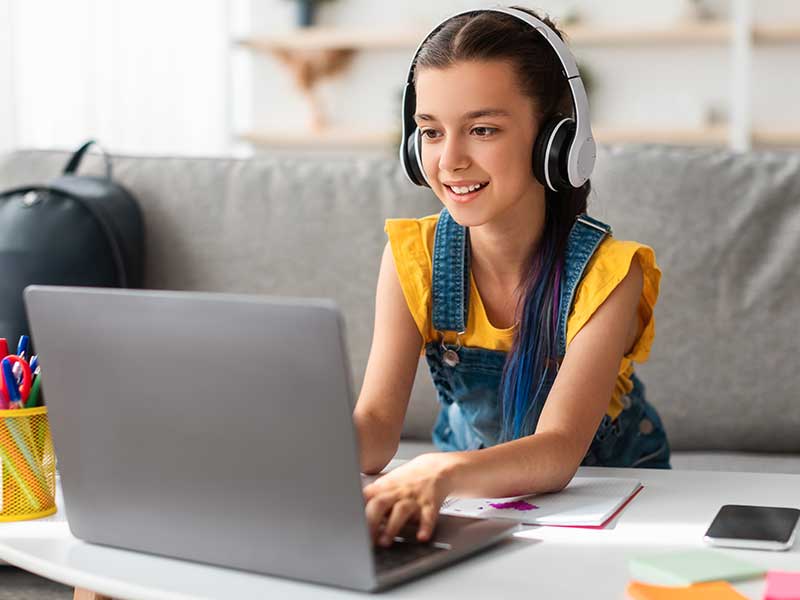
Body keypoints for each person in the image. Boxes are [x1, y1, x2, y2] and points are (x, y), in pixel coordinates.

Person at [353, 6, 670, 549]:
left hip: (607, 499)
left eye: (482, 129)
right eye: (430, 131)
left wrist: (439, 471)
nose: (449, 159)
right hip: (472, 496)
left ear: (556, 143)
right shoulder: (413, 257)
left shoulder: (609, 273)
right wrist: (284, 448)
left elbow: (557, 448)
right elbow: (377, 428)